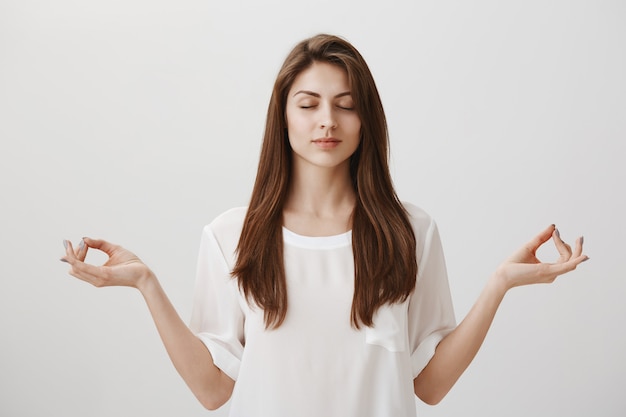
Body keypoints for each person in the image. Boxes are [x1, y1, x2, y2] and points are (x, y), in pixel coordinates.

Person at [60, 34, 588, 417]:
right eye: (308, 104)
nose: (327, 121)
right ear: (283, 117)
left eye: (345, 105)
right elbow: (213, 391)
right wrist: (147, 284)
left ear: (366, 120)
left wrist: (499, 285)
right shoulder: (230, 236)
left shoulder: (410, 232)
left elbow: (428, 386)